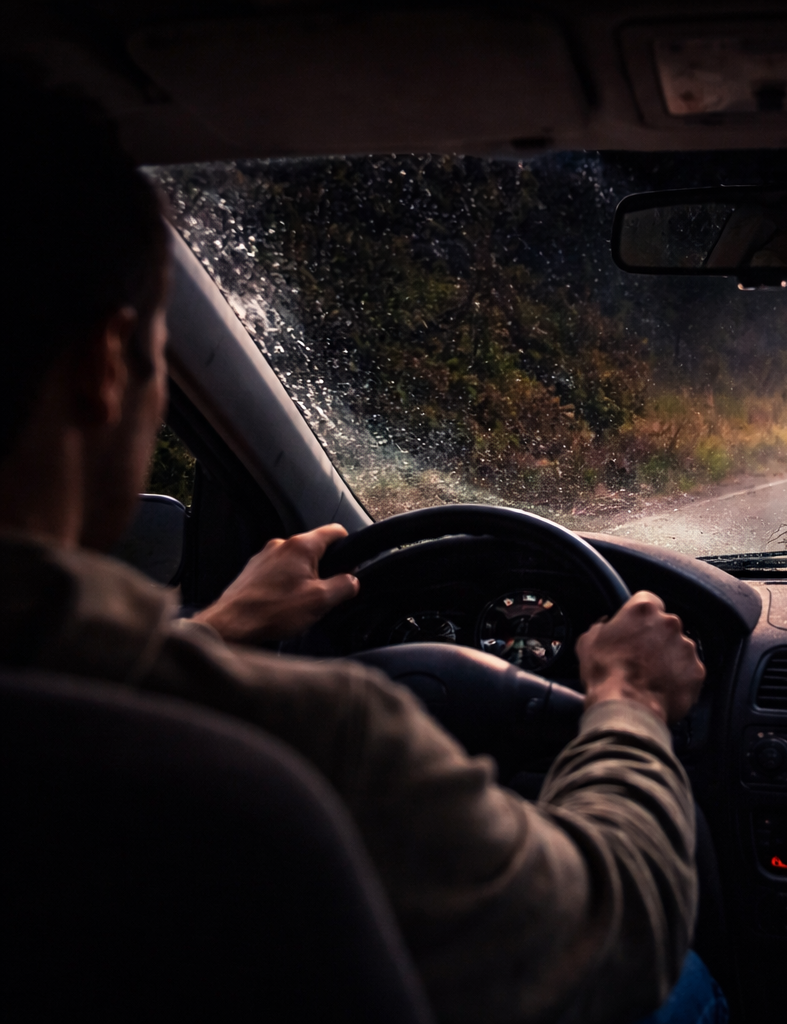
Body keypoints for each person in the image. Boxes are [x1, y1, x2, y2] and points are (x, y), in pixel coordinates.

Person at [0, 83, 712, 1024]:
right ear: (104, 364)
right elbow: (610, 936)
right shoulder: (327, 751)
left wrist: (215, 629)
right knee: (690, 985)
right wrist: (631, 701)